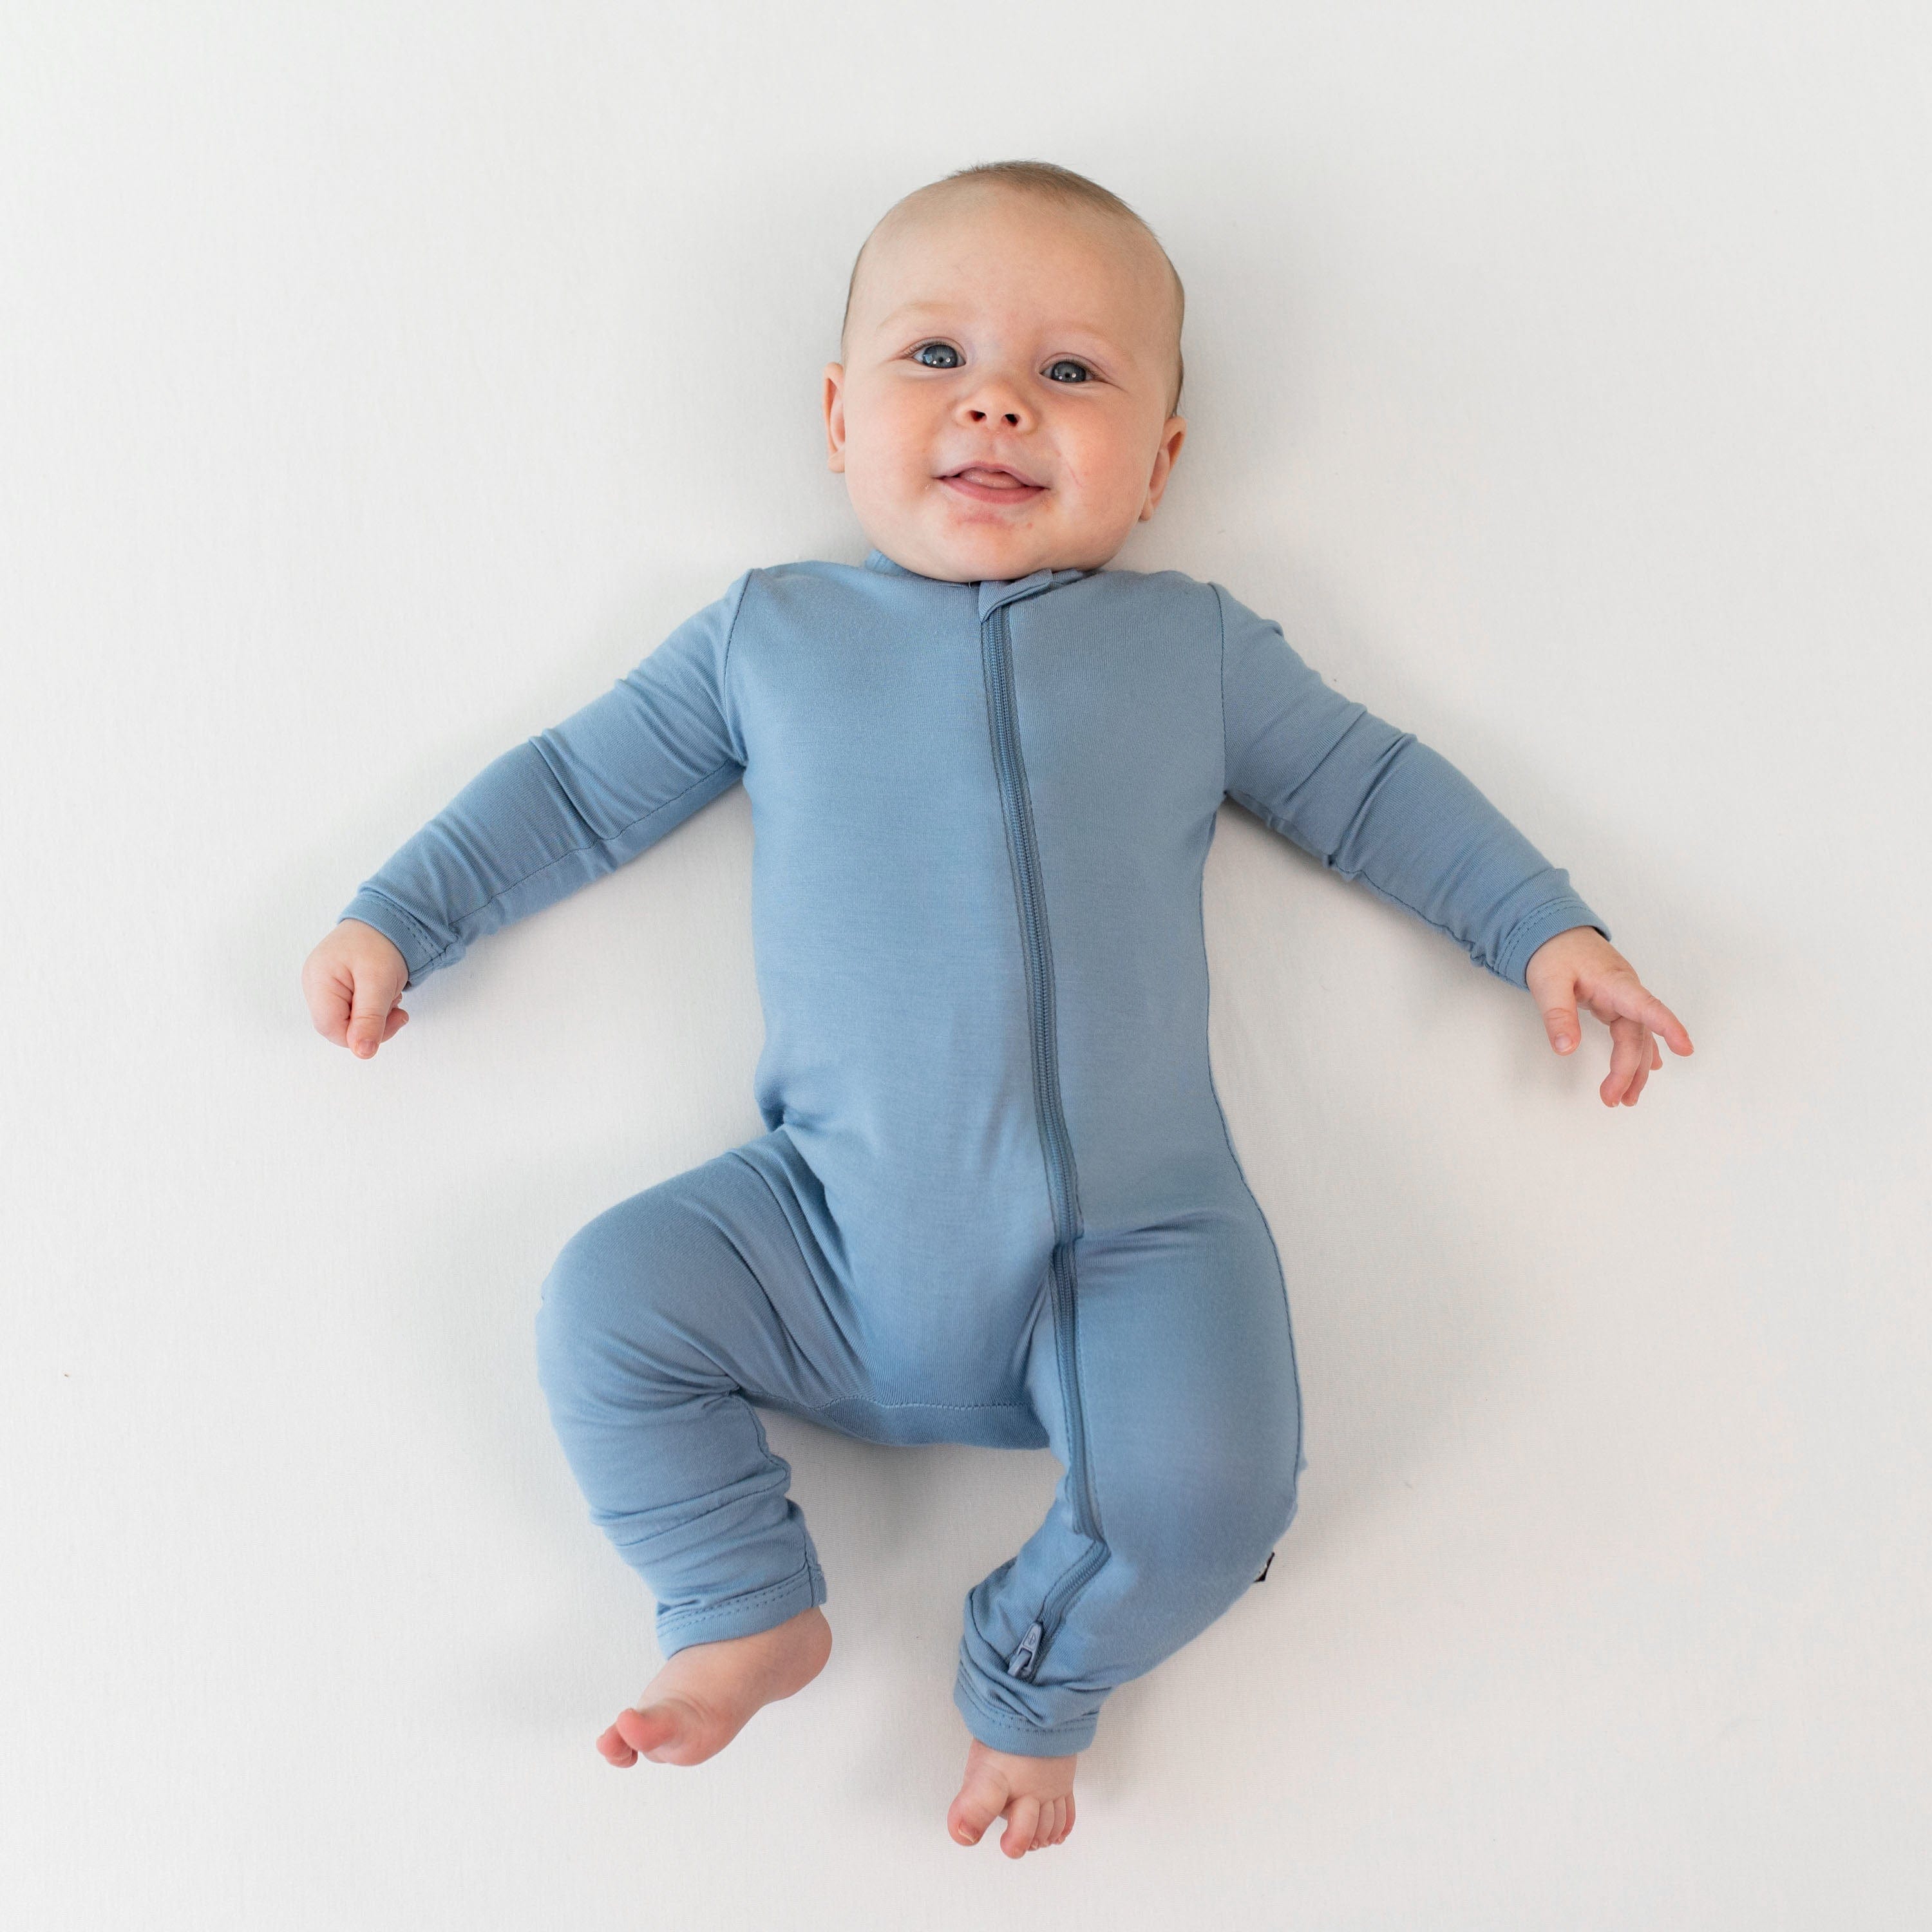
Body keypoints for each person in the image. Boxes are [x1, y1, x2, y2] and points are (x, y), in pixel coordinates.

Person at [301, 160, 1692, 1859]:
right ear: (836, 416)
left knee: (1215, 1491)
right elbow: (583, 791)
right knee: (606, 1303)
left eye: (1075, 374)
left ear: (1161, 462)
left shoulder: (1193, 651)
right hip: (818, 1229)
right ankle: (737, 1599)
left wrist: (1543, 929)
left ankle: (1035, 1678)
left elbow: (1368, 789)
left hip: (1137, 1248)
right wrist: (406, 912)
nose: (1000, 404)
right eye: (935, 357)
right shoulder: (772, 637)